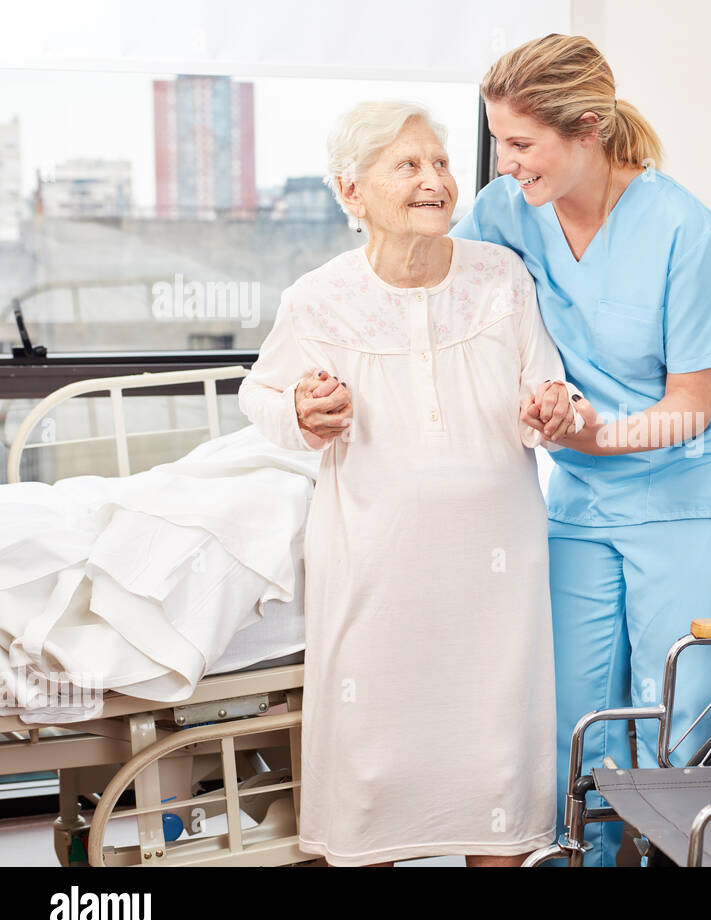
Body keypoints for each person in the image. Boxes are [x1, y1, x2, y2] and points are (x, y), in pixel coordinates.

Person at [452, 34, 711, 867]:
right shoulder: (503, 212)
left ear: (588, 128)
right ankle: (584, 859)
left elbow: (690, 409)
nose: (507, 163)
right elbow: (444, 291)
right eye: (498, 143)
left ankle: (688, 858)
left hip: (692, 486)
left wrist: (588, 433)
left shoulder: (684, 231)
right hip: (586, 491)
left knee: (684, 709)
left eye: (523, 144)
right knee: (575, 707)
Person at [238, 100, 579, 867]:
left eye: (442, 163)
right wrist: (299, 410)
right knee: (371, 768)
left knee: (495, 760)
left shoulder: (500, 278)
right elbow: (259, 397)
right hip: (375, 571)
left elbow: (546, 394)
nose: (436, 181)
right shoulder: (317, 297)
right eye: (410, 166)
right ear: (351, 193)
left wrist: (549, 410)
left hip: (493, 576)